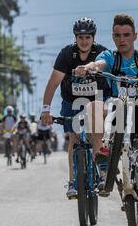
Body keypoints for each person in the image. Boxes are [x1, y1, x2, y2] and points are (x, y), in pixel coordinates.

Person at [74, 13, 138, 209]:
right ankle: (102, 162)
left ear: (134, 36)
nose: (122, 40)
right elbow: (98, 64)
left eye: (126, 35)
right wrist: (87, 67)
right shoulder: (110, 58)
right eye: (117, 35)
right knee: (92, 107)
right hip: (118, 105)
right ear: (112, 37)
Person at [40, 17, 110, 199]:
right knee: (74, 138)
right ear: (75, 38)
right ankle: (72, 181)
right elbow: (53, 82)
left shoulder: (102, 53)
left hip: (99, 98)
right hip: (72, 101)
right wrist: (46, 109)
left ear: (93, 38)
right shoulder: (66, 54)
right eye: (80, 38)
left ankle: (103, 176)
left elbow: (115, 77)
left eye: (88, 37)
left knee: (96, 133)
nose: (84, 41)